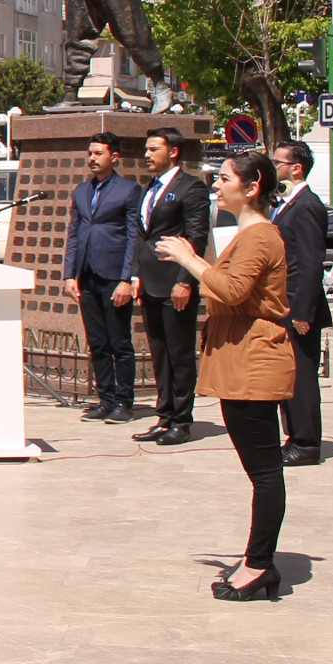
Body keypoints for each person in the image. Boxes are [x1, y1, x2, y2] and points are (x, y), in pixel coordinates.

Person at [154, 153, 294, 602]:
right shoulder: (247, 233)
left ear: (252, 188)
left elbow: (232, 290)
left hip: (255, 362)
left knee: (265, 473)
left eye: (225, 179)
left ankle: (259, 565)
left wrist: (189, 259)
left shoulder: (260, 235)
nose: (216, 185)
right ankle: (258, 561)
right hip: (241, 357)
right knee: (261, 471)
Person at [130, 128, 208, 446]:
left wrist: (185, 280)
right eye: (146, 149)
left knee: (179, 354)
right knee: (159, 353)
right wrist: (136, 275)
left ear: (173, 151)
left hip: (175, 281)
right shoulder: (149, 187)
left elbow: (197, 237)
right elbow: (142, 235)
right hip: (150, 282)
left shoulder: (191, 188)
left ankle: (182, 421)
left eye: (153, 149)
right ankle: (164, 416)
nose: (147, 155)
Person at [62, 132, 142, 424]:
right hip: (87, 275)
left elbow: (134, 237)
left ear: (114, 157)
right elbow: (74, 234)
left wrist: (127, 279)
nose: (92, 158)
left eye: (99, 153)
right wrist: (70, 274)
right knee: (97, 342)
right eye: (90, 153)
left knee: (119, 342)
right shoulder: (82, 191)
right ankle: (105, 399)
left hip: (114, 275)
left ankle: (124, 402)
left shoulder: (129, 190)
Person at [270, 143, 332, 467]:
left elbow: (310, 262)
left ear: (296, 168)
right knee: (289, 376)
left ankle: (306, 444)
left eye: (277, 162)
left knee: (302, 378)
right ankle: (293, 437)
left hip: (298, 307)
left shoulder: (307, 205)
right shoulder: (286, 203)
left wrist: (303, 312)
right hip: (283, 304)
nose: (273, 167)